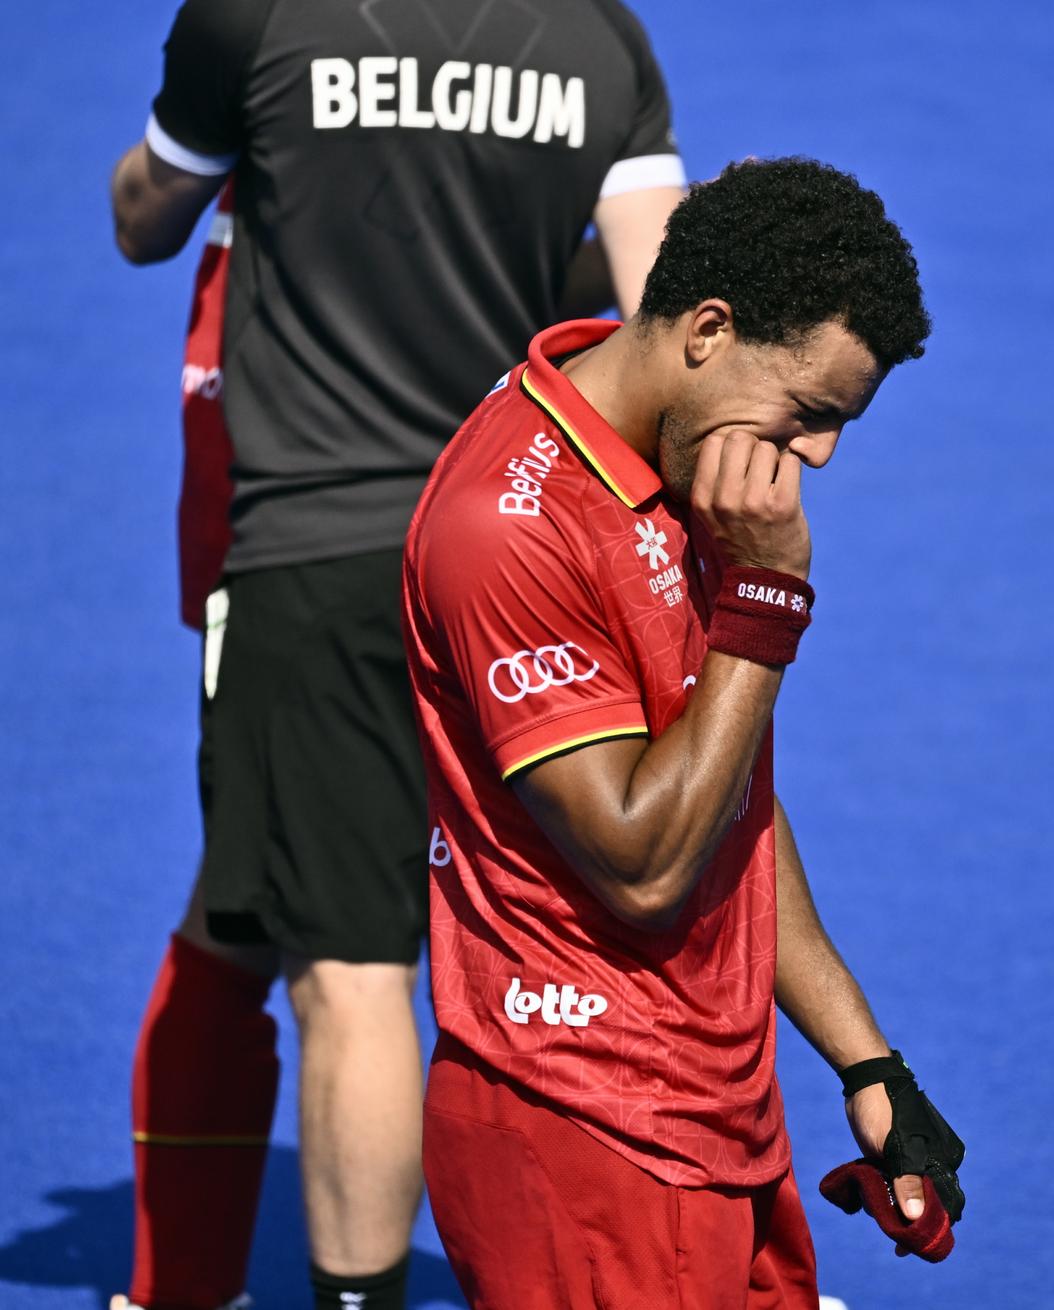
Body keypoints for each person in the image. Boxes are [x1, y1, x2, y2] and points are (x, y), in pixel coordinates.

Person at [108, 0, 686, 1303]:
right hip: (529, 547)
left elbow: (143, 217)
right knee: (567, 945)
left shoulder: (253, 21)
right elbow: (656, 313)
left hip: (320, 557)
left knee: (354, 967)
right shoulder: (599, 39)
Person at [402, 156, 967, 1307]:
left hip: (716, 1110)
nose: (816, 457)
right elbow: (647, 862)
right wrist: (762, 605)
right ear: (709, 327)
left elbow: (722, 797)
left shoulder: (681, 477)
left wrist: (867, 1060)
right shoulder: (505, 530)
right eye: (810, 413)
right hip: (589, 1134)